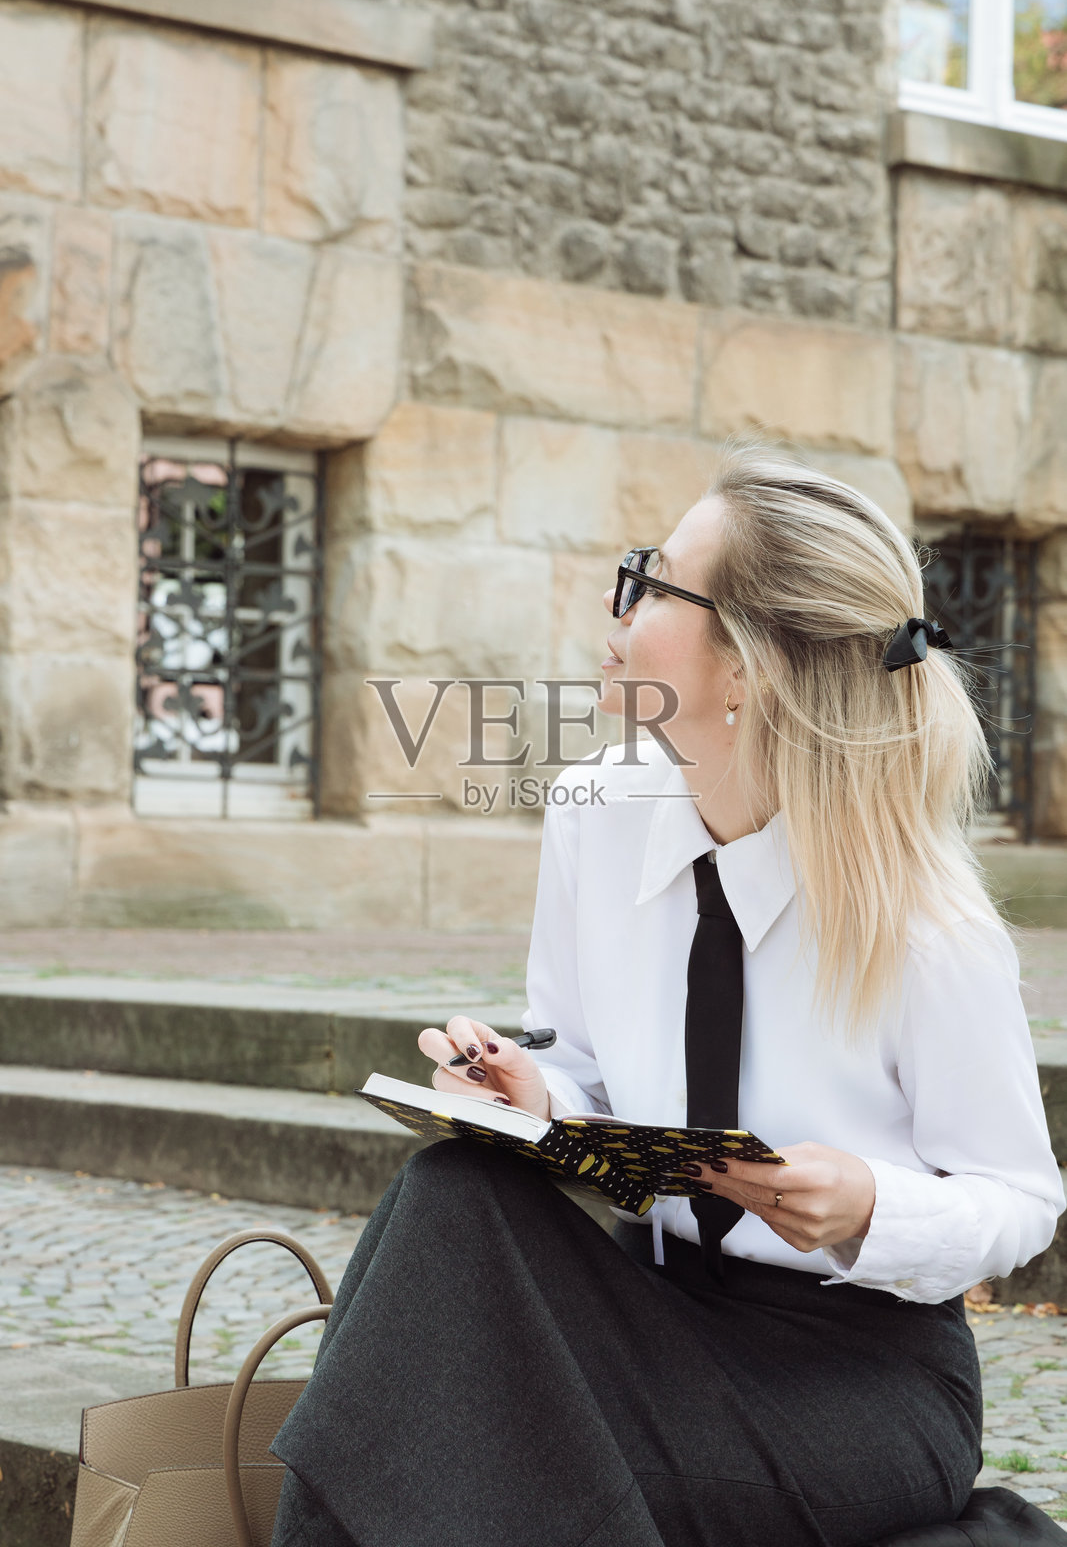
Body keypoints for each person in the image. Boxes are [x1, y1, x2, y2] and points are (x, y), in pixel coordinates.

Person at [269, 448, 1066, 1547]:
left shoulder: (922, 917)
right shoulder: (595, 812)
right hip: (653, 1311)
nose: (619, 602)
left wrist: (876, 1210)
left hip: (855, 1379)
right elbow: (588, 1059)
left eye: (652, 581)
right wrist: (533, 1090)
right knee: (452, 1188)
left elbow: (1019, 1199)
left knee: (465, 1439)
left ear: (742, 667)